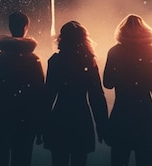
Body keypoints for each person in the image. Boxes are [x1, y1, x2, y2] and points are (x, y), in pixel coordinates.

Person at [103, 14, 152, 166]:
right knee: (144, 159)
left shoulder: (115, 51)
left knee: (119, 159)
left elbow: (108, 83)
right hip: (144, 114)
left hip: (122, 113)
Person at [43, 21, 108, 166]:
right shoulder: (88, 62)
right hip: (81, 117)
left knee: (59, 159)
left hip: (60, 117)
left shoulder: (55, 61)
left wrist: (42, 125)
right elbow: (96, 96)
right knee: (79, 159)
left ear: (62, 39)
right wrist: (102, 125)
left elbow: (48, 96)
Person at [0, 12, 45, 166]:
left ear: (10, 27)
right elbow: (39, 95)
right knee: (22, 160)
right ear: (26, 27)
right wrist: (39, 125)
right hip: (25, 121)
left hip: (0, 119)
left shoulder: (1, 58)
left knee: (0, 160)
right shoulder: (33, 60)